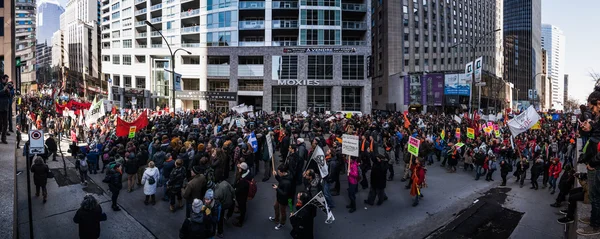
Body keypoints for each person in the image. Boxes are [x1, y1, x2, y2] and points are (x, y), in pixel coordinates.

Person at [269, 164, 294, 230]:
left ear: (283, 172)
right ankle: (276, 219)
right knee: (275, 207)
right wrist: (276, 175)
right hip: (279, 197)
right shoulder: (286, 176)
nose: (279, 173)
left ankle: (282, 223)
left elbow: (285, 193)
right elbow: (281, 180)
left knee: (283, 211)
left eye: (279, 172)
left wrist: (277, 188)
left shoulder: (287, 182)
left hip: (284, 199)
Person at [233, 162, 251, 227]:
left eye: (240, 168)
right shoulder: (247, 173)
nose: (239, 168)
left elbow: (239, 188)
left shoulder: (243, 179)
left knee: (242, 207)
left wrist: (235, 191)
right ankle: (241, 216)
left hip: (242, 195)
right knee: (242, 206)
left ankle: (240, 222)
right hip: (243, 194)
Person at [0, 75, 10, 144]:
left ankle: (3, 138)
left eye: (7, 80)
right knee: (0, 124)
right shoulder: (0, 85)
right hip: (0, 107)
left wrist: (8, 91)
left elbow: (9, 96)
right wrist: (4, 90)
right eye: (6, 80)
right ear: (2, 79)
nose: (7, 81)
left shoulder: (7, 86)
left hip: (5, 108)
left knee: (5, 124)